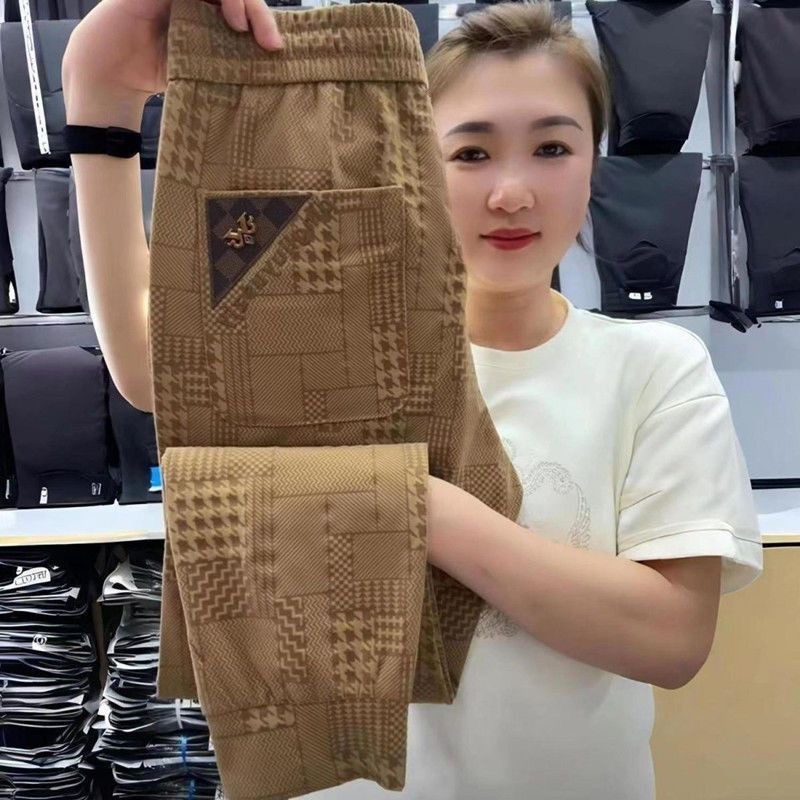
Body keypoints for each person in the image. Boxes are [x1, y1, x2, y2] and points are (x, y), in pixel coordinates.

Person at [64, 1, 763, 798]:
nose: (511, 193)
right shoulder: (332, 345)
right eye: (470, 153)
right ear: (415, 169)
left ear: (592, 164)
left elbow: (670, 639)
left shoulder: (653, 369)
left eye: (552, 147)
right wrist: (99, 96)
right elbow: (148, 368)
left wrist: (414, 505)